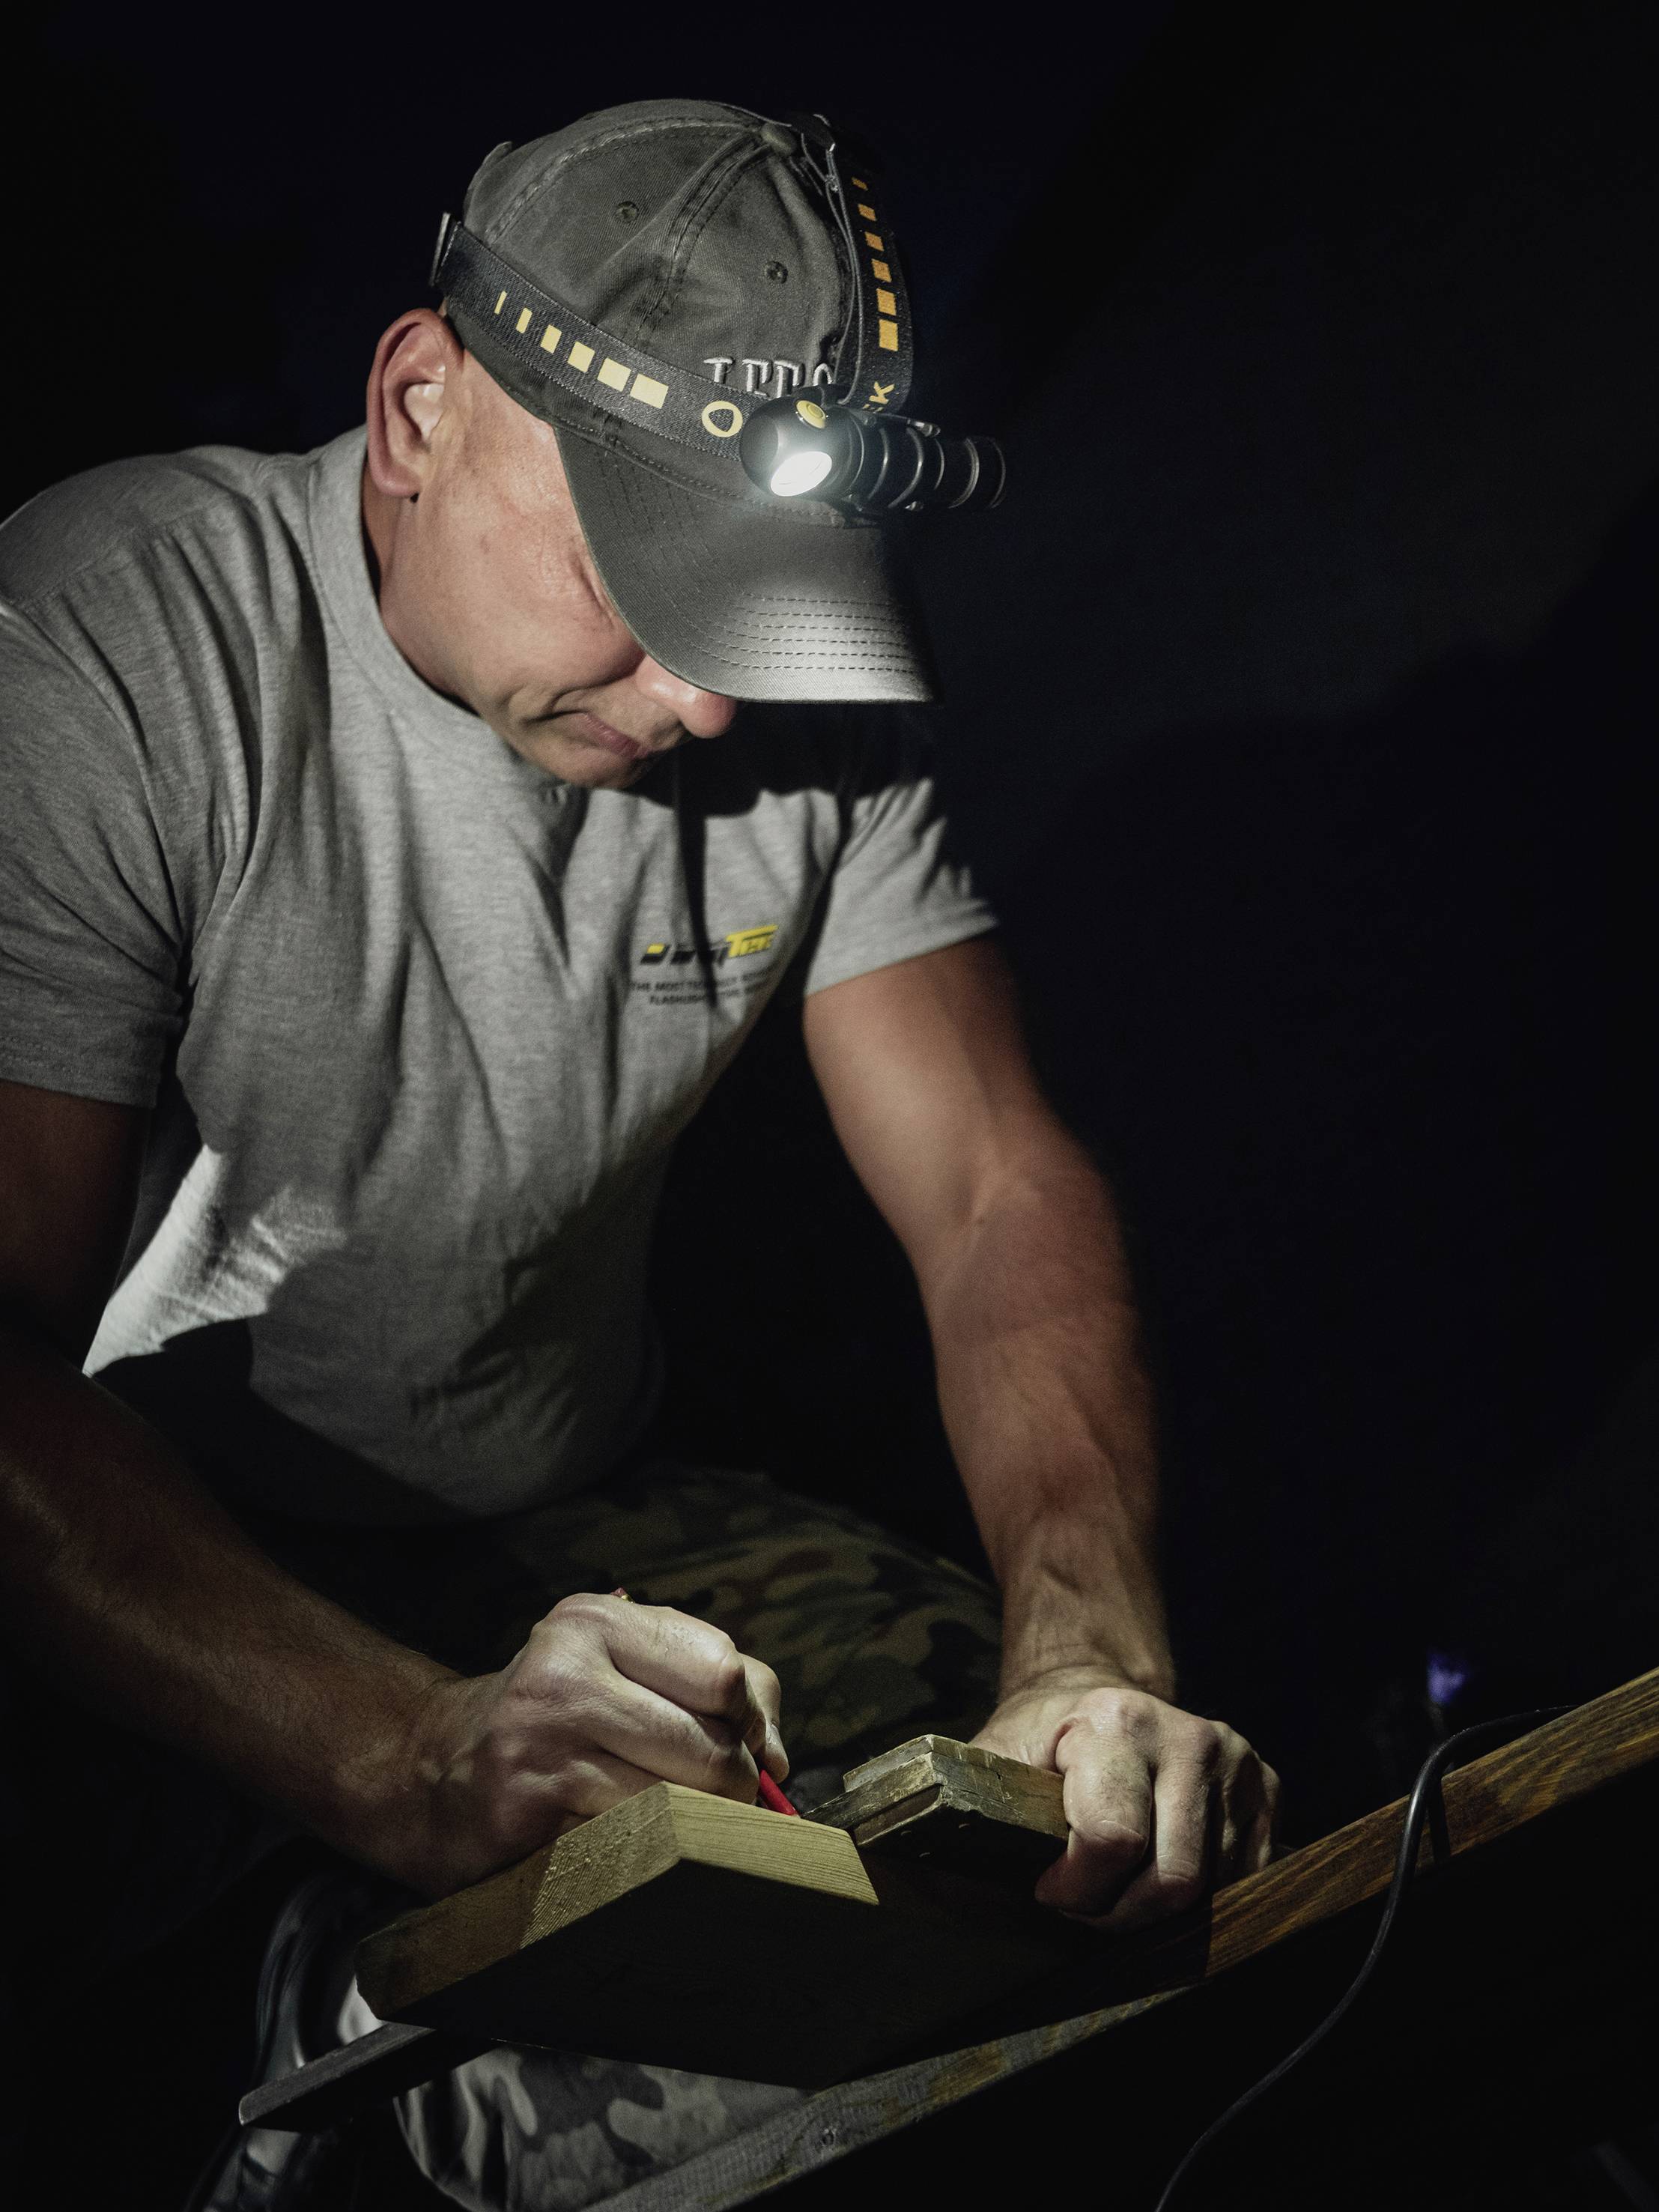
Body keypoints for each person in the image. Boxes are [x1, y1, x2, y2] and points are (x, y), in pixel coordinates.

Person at [0, 99, 1276, 2203]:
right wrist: (403, 1747)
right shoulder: (108, 644)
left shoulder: (808, 710)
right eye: (632, 572)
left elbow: (992, 1200)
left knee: (1049, 1861)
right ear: (420, 405)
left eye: (759, 603)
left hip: (560, 1503)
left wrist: (1090, 1649)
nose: (702, 698)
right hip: (148, 1518)